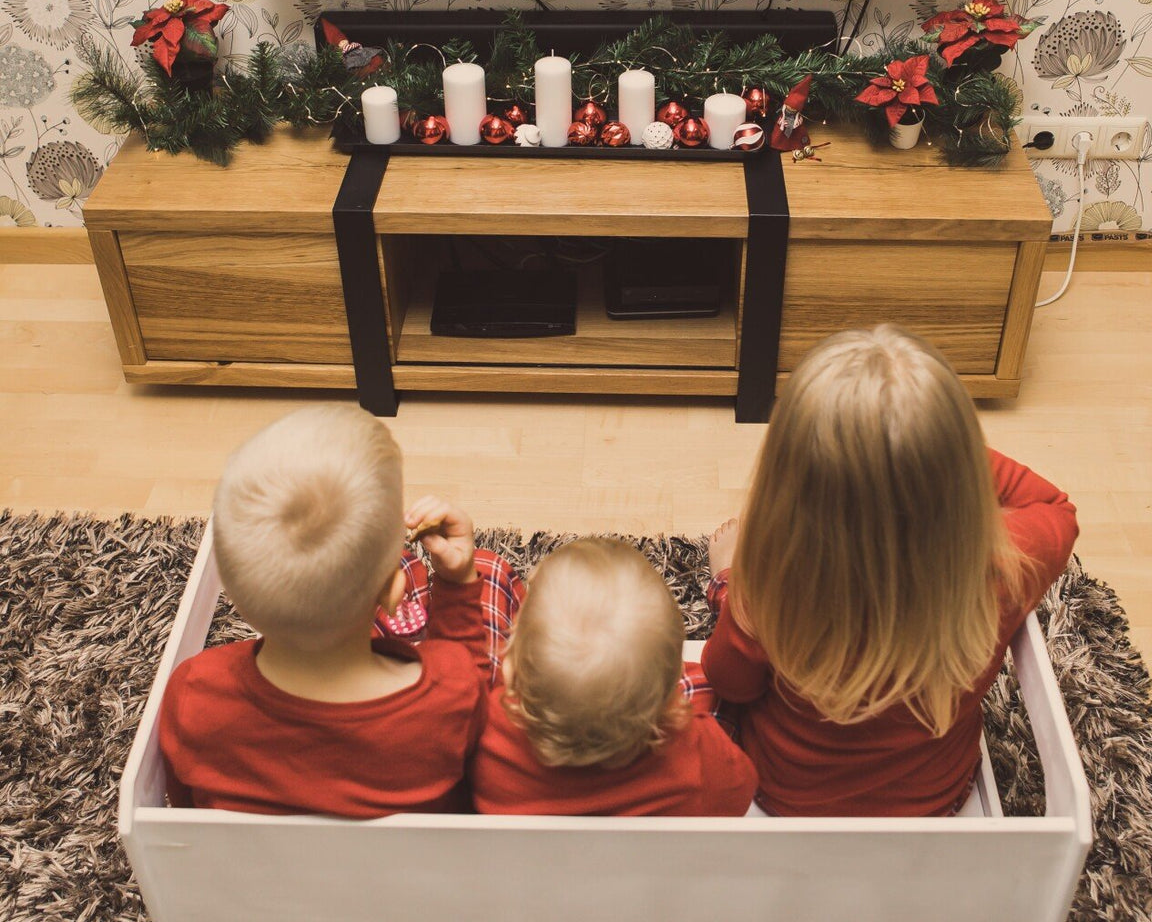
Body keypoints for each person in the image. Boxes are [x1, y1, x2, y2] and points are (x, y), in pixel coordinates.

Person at [703, 324, 1079, 817]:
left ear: (786, 480)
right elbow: (1055, 506)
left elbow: (729, 682)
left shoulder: (770, 579)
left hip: (784, 798)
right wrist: (935, 455)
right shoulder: (1008, 564)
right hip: (934, 801)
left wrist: (726, 580)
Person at [159, 403, 522, 817]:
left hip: (264, 876)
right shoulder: (449, 693)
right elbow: (473, 698)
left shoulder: (194, 692)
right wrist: (457, 584)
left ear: (233, 592)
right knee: (489, 570)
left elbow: (188, 811)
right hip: (419, 873)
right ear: (392, 591)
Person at [471, 538, 757, 816]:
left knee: (485, 566)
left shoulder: (482, 737)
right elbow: (741, 789)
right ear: (671, 695)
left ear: (509, 671)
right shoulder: (697, 757)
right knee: (709, 681)